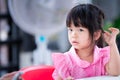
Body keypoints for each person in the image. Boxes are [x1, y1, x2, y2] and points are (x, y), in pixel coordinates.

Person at [52, 4, 120, 80]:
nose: (73, 35)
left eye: (80, 30)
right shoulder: (65, 60)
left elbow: (116, 72)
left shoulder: (102, 56)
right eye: (70, 30)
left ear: (96, 35)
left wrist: (112, 44)